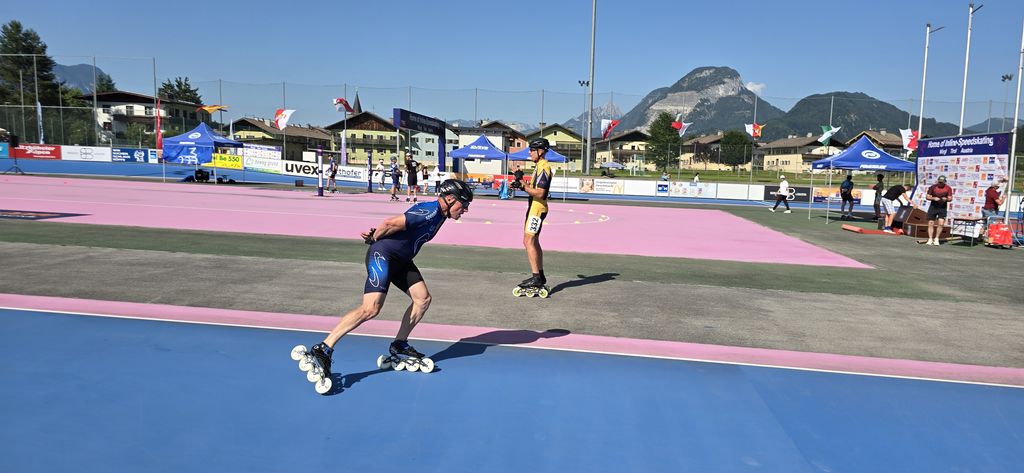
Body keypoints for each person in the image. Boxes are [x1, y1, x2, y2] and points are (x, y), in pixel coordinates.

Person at [301, 179, 474, 392]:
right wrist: (375, 237)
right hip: (383, 256)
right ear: (450, 199)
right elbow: (391, 223)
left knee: (422, 299)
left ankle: (399, 344)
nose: (465, 209)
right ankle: (324, 348)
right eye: (464, 204)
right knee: (371, 308)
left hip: (401, 261)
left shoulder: (441, 214)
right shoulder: (430, 211)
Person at [519, 138, 554, 290]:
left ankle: (536, 278)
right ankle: (540, 275)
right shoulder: (539, 166)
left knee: (528, 241)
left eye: (532, 150)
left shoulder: (544, 167)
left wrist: (523, 188)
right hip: (534, 207)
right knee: (533, 241)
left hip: (537, 209)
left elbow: (540, 193)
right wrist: (520, 181)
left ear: (540, 152)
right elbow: (532, 189)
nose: (530, 153)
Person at [925, 175, 953, 246]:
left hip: (942, 207)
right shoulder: (933, 187)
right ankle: (930, 239)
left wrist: (946, 199)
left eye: (942, 182)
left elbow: (950, 198)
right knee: (931, 222)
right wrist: (933, 198)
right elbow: (927, 197)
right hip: (933, 206)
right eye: (939, 182)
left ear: (945, 182)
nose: (940, 183)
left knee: (941, 223)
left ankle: (936, 238)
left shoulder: (948, 188)